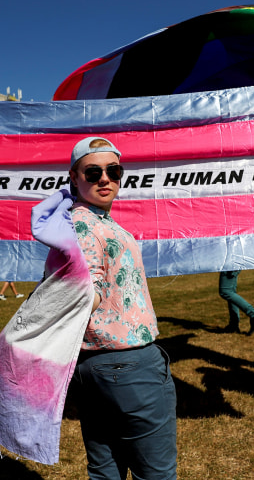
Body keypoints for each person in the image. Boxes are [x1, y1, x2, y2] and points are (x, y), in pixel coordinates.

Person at [66, 136, 177, 479]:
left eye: (113, 170)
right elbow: (86, 289)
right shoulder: (85, 225)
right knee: (155, 474)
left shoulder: (88, 221)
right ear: (74, 176)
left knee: (106, 469)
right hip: (127, 365)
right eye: (93, 171)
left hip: (95, 366)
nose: (105, 178)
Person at [218, 270, 254, 334]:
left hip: (230, 265)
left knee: (225, 291)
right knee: (230, 291)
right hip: (231, 265)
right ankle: (233, 324)